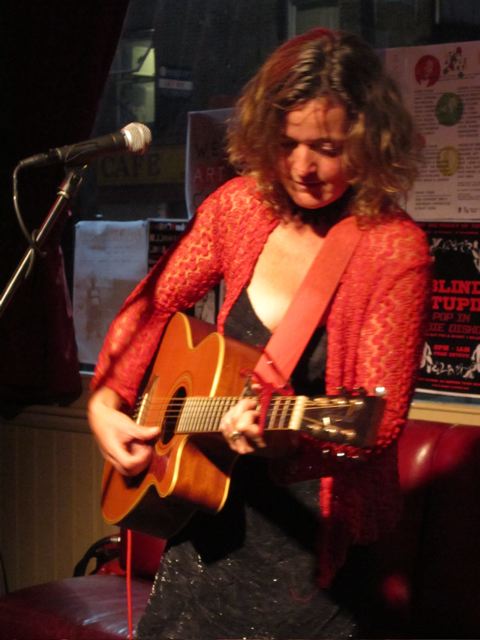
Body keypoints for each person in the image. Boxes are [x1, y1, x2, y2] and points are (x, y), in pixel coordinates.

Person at [88, 28, 431, 639]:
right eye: (287, 143)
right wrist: (107, 400)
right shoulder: (239, 208)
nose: (302, 167)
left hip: (311, 548)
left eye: (326, 147)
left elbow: (378, 423)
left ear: (369, 139)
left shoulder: (394, 249)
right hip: (206, 517)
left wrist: (284, 442)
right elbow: (153, 304)